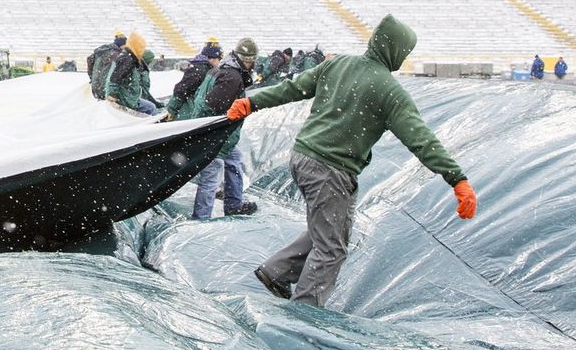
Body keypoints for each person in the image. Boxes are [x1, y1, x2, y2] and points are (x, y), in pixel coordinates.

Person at [228, 15, 476, 307]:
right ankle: (304, 313)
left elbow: (292, 89)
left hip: (303, 156)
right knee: (331, 248)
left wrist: (253, 102)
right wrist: (456, 178)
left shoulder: (339, 64)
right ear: (396, 50)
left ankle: (277, 272)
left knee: (330, 230)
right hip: (330, 169)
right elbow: (421, 139)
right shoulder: (389, 92)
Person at [177, 37, 260, 220]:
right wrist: (209, 133)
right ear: (247, 59)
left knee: (235, 161)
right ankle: (201, 218)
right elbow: (211, 105)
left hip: (222, 135)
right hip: (216, 135)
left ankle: (233, 204)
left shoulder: (222, 70)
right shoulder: (232, 77)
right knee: (211, 176)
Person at [164, 40, 223, 119]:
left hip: (192, 111)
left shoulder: (202, 68)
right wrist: (171, 110)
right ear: (212, 59)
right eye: (219, 60)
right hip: (188, 113)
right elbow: (181, 90)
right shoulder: (200, 70)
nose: (219, 63)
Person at [105, 31, 158, 116]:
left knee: (150, 106)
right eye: (141, 48)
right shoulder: (128, 59)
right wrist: (111, 94)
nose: (141, 51)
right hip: (125, 97)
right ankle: (155, 127)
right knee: (151, 108)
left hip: (127, 96)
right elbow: (115, 78)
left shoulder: (126, 56)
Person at [87, 33, 126, 100]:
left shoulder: (102, 51)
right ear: (121, 45)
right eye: (125, 45)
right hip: (105, 89)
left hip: (95, 87)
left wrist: (92, 78)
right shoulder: (115, 55)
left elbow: (89, 60)